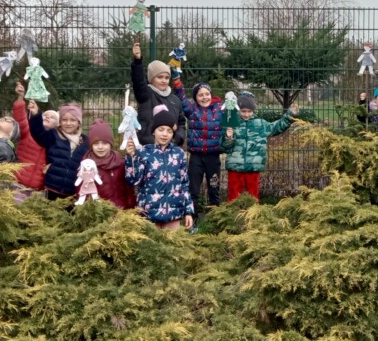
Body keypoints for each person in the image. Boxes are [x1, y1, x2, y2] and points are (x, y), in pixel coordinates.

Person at [124, 105, 195, 230]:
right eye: (161, 129)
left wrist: (188, 211)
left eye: (169, 131)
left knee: (172, 242)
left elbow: (184, 184)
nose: (165, 134)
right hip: (148, 214)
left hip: (173, 214)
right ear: (153, 131)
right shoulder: (143, 152)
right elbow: (133, 180)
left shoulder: (179, 154)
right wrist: (130, 158)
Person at [220, 92, 296, 201]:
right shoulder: (231, 123)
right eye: (243, 111)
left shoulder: (261, 124)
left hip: (254, 167)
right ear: (238, 110)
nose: (246, 114)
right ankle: (233, 212)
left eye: (249, 111)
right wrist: (228, 137)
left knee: (253, 197)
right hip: (235, 167)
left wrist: (289, 116)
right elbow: (224, 147)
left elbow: (276, 127)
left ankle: (253, 212)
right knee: (233, 198)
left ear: (253, 110)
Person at [172, 75, 226, 211]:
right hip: (196, 157)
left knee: (214, 188)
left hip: (213, 157)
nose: (204, 97)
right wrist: (177, 82)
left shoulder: (220, 109)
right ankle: (192, 216)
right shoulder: (192, 110)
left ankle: (215, 215)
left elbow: (235, 111)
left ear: (211, 95)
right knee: (193, 189)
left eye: (207, 94)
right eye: (200, 95)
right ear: (195, 98)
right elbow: (182, 98)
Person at [27, 99, 88, 200]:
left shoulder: (86, 142)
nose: (68, 123)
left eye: (73, 120)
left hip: (73, 192)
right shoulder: (53, 135)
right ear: (60, 121)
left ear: (79, 122)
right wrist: (36, 115)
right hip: (51, 188)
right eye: (64, 120)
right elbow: (38, 133)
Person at [131, 41, 184, 146]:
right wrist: (137, 61)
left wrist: (177, 139)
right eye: (160, 77)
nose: (164, 80)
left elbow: (181, 123)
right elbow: (138, 81)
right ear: (151, 79)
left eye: (167, 77)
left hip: (170, 148)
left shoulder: (175, 100)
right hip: (148, 147)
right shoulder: (145, 95)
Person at [85, 117, 135, 210]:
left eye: (104, 143)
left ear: (111, 144)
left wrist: (131, 208)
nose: (100, 147)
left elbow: (129, 189)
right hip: (100, 214)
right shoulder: (87, 166)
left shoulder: (120, 163)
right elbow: (83, 194)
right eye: (96, 143)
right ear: (91, 145)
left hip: (122, 212)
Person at [11, 81, 47, 197]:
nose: (47, 117)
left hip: (37, 191)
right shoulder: (29, 133)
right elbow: (21, 119)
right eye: (45, 116)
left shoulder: (55, 142)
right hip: (16, 184)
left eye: (52, 117)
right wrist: (20, 98)